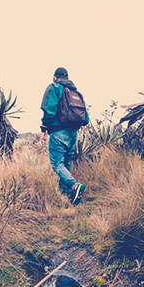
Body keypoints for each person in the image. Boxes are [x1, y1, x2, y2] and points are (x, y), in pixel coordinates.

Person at [40, 67, 89, 205]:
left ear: (55, 77)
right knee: (66, 164)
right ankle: (66, 196)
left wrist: (44, 128)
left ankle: (74, 186)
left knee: (57, 164)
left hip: (58, 132)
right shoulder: (76, 93)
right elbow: (86, 119)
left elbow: (49, 110)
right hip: (73, 134)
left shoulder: (54, 87)